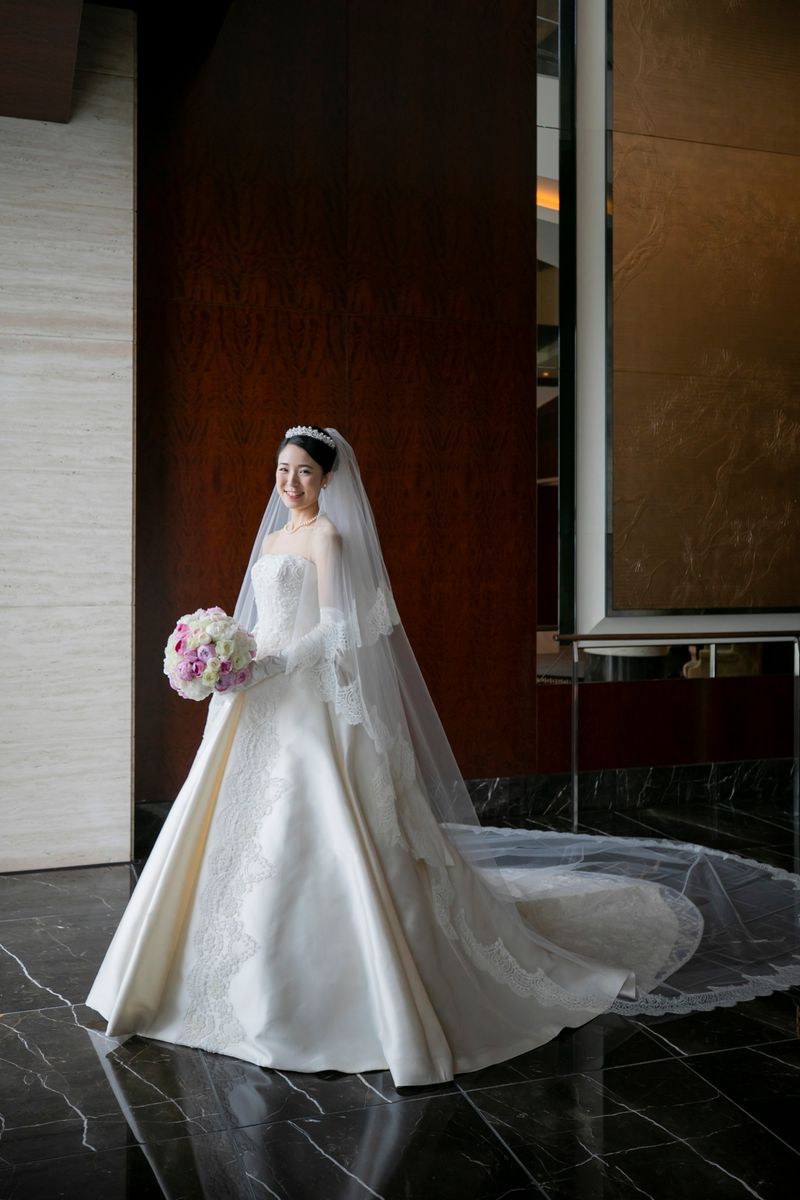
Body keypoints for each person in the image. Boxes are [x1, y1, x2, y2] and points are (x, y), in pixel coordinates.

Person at [87, 426, 800, 1087]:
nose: (289, 482)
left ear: (327, 479)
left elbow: (336, 630)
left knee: (316, 824)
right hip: (258, 700)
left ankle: (318, 991)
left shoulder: (328, 537)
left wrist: (271, 665)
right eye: (282, 470)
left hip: (302, 696)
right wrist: (230, 657)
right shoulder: (273, 540)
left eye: (303, 472)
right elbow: (259, 619)